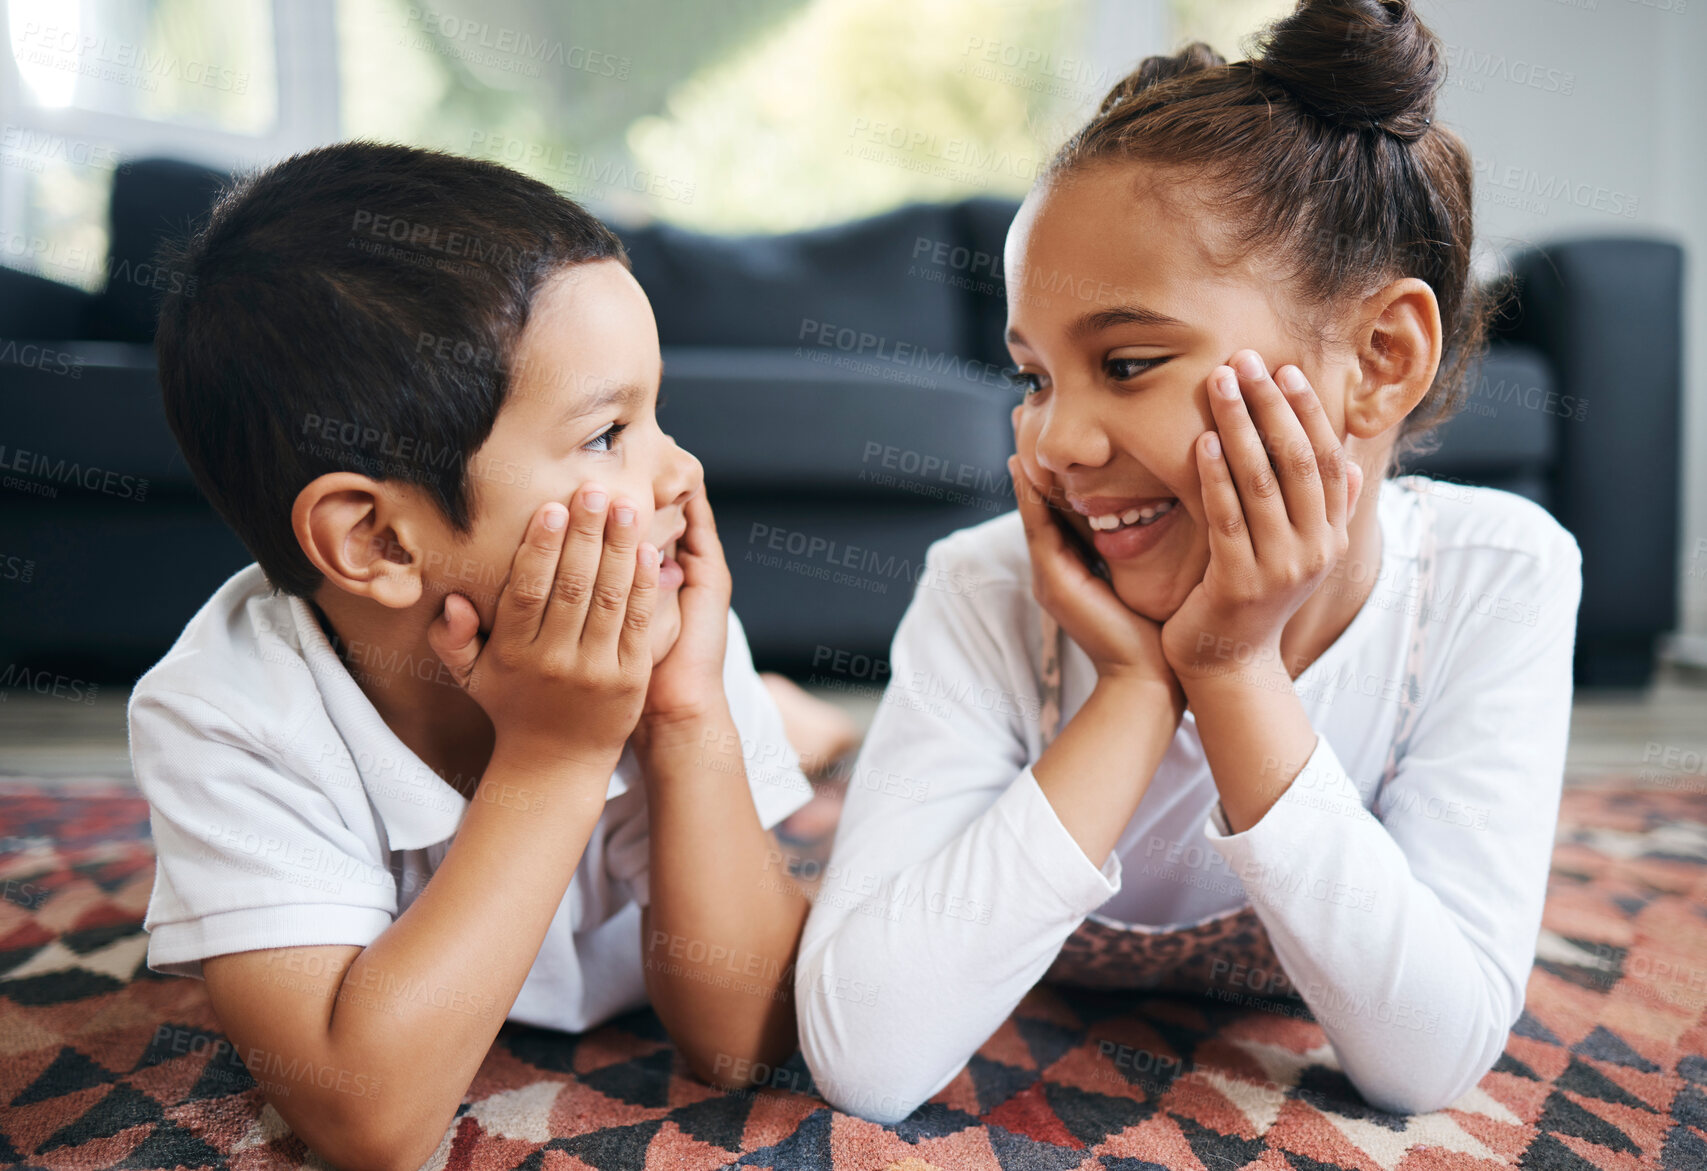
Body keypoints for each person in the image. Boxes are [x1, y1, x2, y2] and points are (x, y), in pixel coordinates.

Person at [795, 0, 1583, 1123]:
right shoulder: (986, 587)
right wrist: (1129, 688)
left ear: (1381, 356)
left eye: (1125, 361)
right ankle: (808, 729)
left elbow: (1427, 1062)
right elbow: (864, 1056)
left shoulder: (1496, 577)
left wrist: (1233, 670)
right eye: (1034, 378)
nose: (1056, 441)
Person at [129, 142, 814, 1171]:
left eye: (658, 414)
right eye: (606, 434)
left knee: (768, 724)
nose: (679, 472)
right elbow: (372, 1124)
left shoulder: (648, 615)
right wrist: (555, 758)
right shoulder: (222, 712)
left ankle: (798, 715)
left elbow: (749, 1044)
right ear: (378, 540)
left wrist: (689, 717)